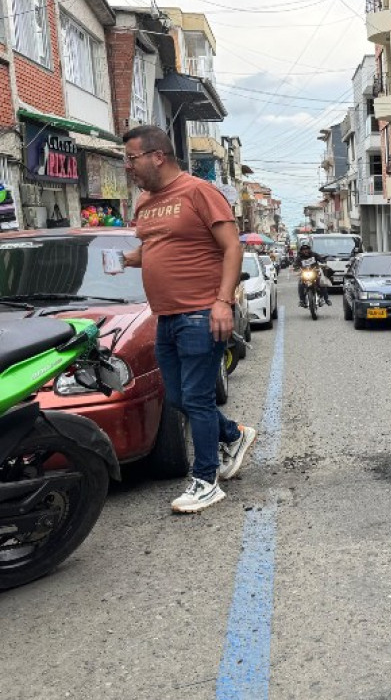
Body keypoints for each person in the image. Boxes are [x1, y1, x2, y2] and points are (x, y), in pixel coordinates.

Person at [120, 125, 256, 514]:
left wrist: (222, 302)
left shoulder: (199, 191)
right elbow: (158, 247)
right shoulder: (145, 201)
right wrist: (133, 259)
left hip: (200, 311)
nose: (128, 166)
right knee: (178, 397)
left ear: (156, 156)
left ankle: (205, 480)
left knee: (195, 397)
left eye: (132, 158)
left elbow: (232, 248)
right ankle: (233, 434)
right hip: (164, 315)